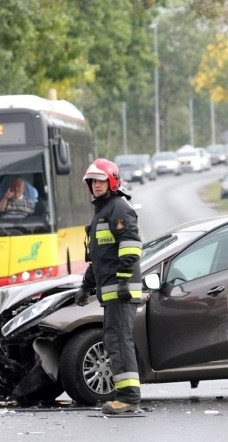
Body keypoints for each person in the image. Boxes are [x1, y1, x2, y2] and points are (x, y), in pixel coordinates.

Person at [74, 158, 143, 414]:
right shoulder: (101, 213)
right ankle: (125, 395)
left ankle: (128, 398)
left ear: (112, 181)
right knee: (113, 339)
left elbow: (132, 246)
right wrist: (86, 286)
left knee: (119, 340)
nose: (96, 185)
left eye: (101, 180)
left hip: (121, 291)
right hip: (110, 291)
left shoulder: (119, 208)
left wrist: (124, 279)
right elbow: (99, 258)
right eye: (93, 181)